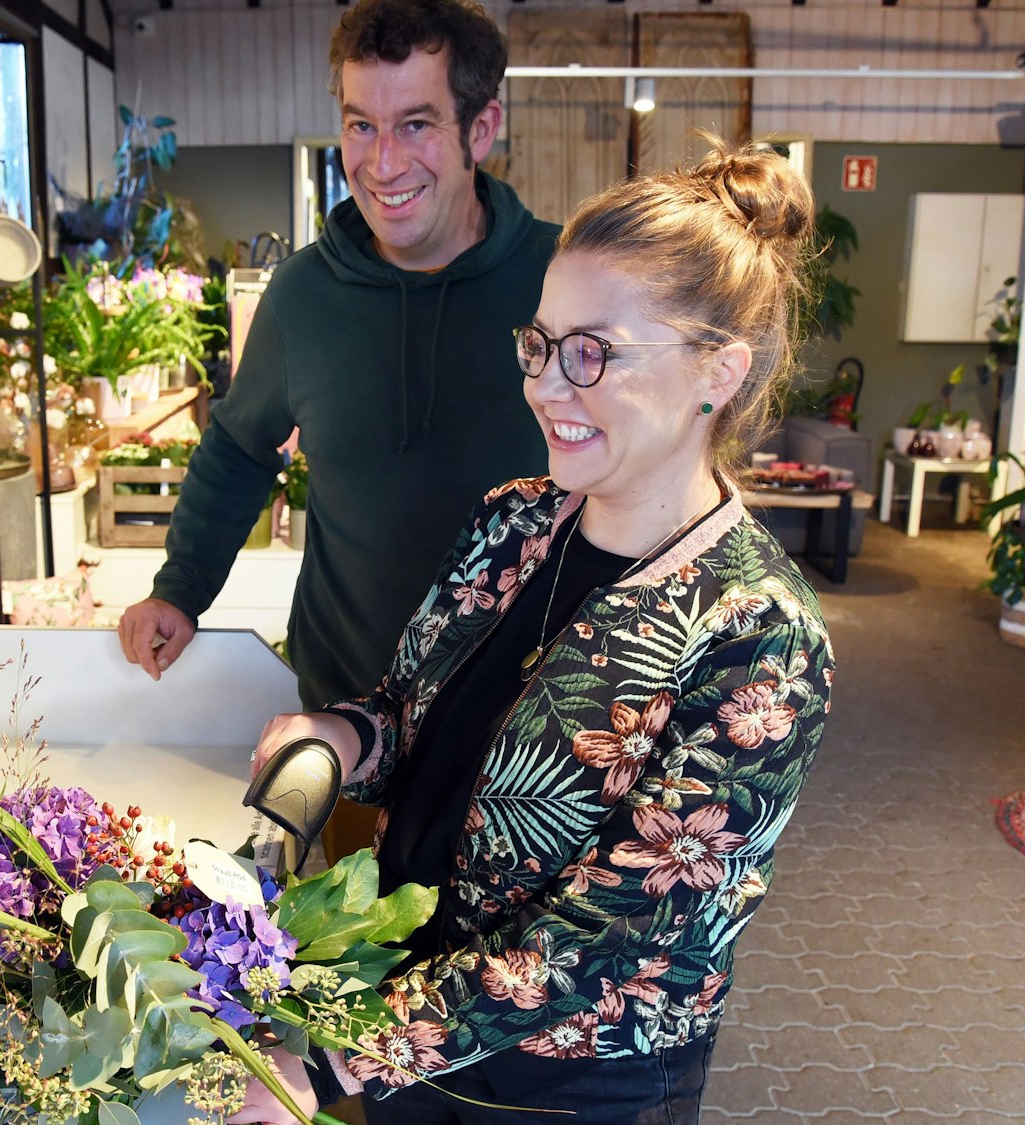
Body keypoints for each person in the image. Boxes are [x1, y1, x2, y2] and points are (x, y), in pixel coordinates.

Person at [230, 140, 836, 1124]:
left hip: (564, 1091)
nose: (547, 387)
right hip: (398, 1006)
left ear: (714, 373)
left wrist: (338, 1067)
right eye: (540, 344)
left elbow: (613, 936)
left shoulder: (757, 630)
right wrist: (342, 738)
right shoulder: (514, 520)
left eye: (592, 351)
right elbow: (406, 709)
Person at [116, 0, 556, 708]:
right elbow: (237, 449)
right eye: (360, 124)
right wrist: (180, 589)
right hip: (345, 715)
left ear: (482, 127)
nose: (382, 163)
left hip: (523, 728)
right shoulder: (302, 296)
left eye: (416, 123)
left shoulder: (563, 281)